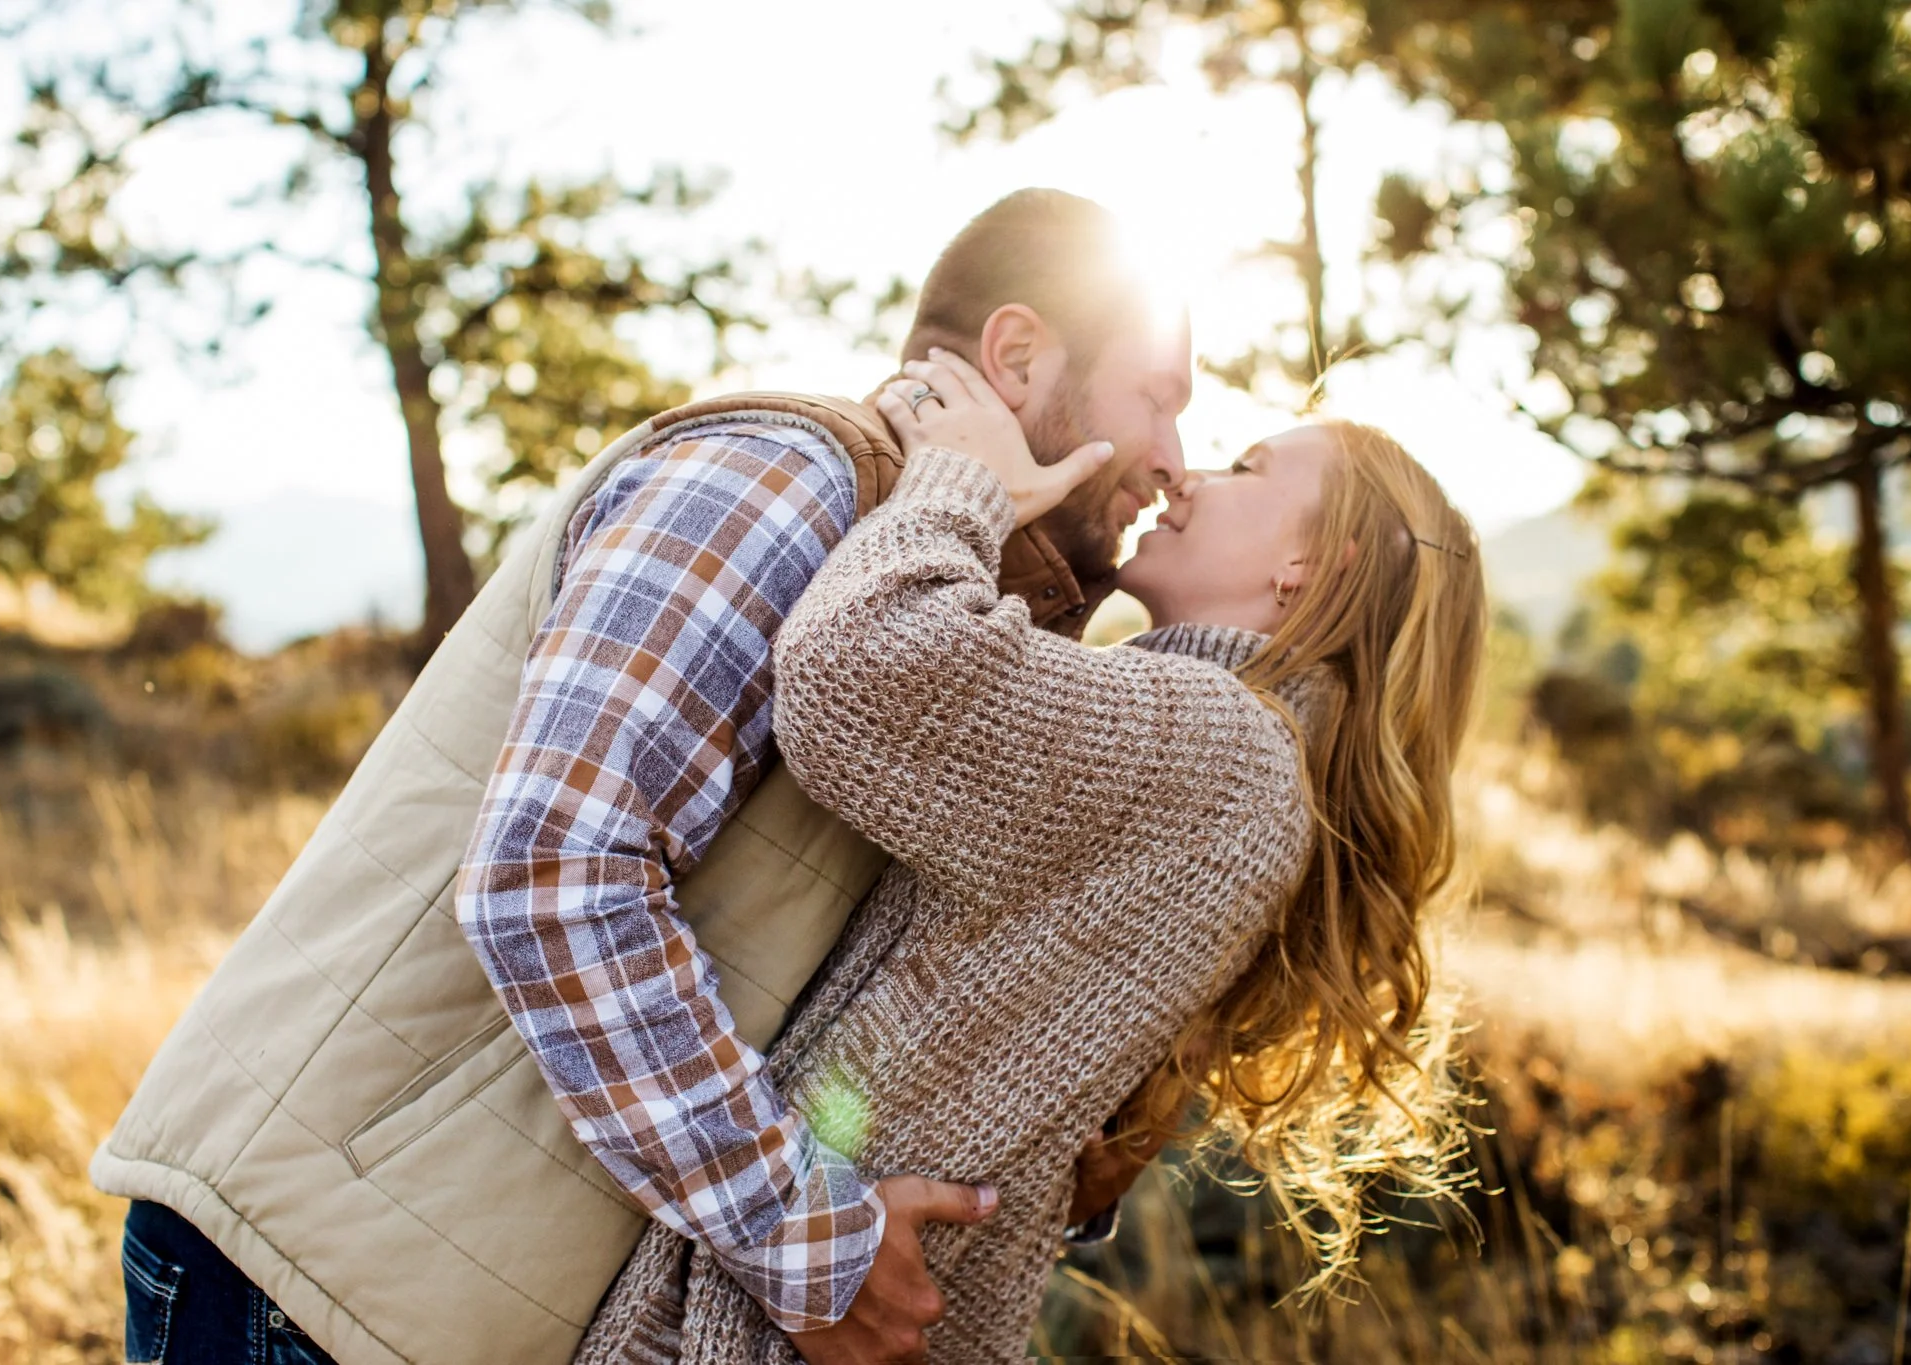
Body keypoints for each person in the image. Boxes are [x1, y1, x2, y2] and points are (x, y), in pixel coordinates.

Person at [92, 190, 1189, 1365]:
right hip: (325, 1283)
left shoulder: (932, 596)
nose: (1176, 462)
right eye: (1159, 398)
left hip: (459, 1297)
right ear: (1016, 355)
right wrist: (807, 1243)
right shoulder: (792, 480)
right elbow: (556, 870)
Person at [574, 351, 1487, 1363]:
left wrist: (960, 481)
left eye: (1243, 465)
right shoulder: (1242, 761)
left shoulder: (1223, 746)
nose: (1188, 475)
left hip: (783, 1324)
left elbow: (850, 675)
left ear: (1315, 565)